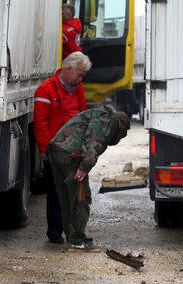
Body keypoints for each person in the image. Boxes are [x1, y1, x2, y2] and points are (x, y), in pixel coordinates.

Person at [46, 106, 130, 251]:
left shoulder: (98, 114)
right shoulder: (108, 121)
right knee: (81, 197)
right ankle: (78, 239)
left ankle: (71, 236)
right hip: (69, 155)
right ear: (120, 126)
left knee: (65, 197)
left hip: (57, 150)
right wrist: (85, 167)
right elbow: (93, 143)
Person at [33, 51, 91, 244]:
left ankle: (74, 231)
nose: (81, 79)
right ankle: (55, 232)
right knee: (56, 193)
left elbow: (84, 116)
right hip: (56, 151)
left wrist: (83, 146)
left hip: (75, 152)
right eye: (79, 74)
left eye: (83, 75)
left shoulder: (78, 89)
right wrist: (44, 149)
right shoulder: (46, 90)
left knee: (77, 194)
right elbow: (41, 123)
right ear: (67, 69)